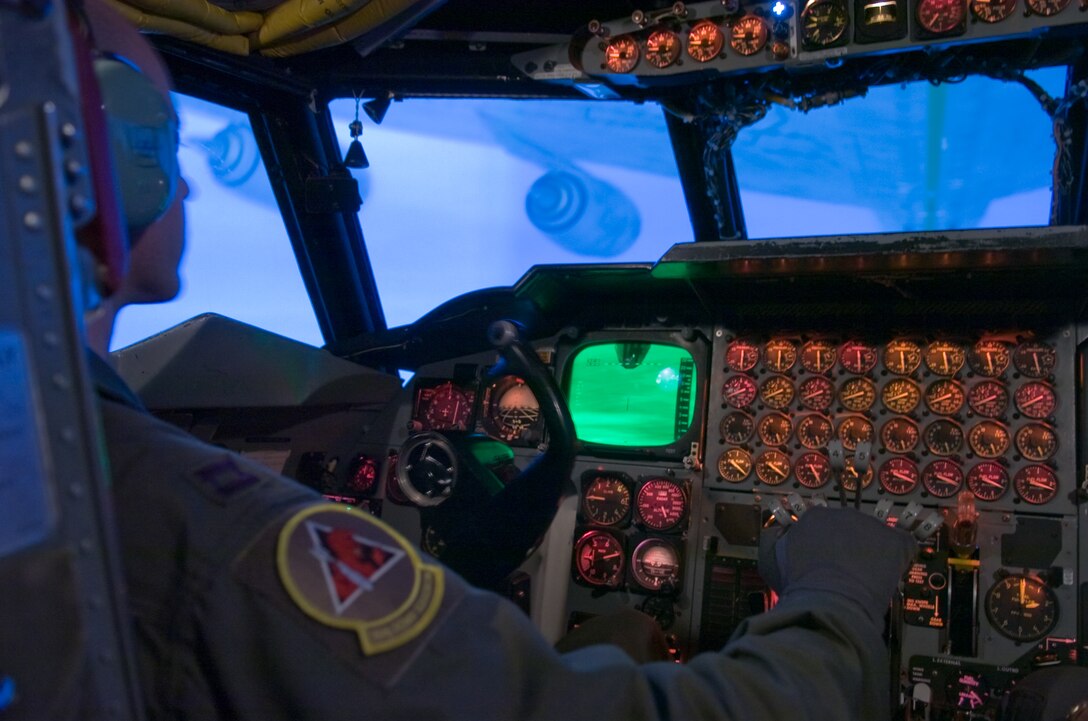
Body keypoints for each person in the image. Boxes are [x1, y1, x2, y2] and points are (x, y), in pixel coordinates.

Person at [77, 1, 918, 718]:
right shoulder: (209, 536)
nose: (179, 173)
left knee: (621, 636)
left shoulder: (71, 462)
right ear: (90, 158)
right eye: (159, 133)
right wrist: (838, 597)